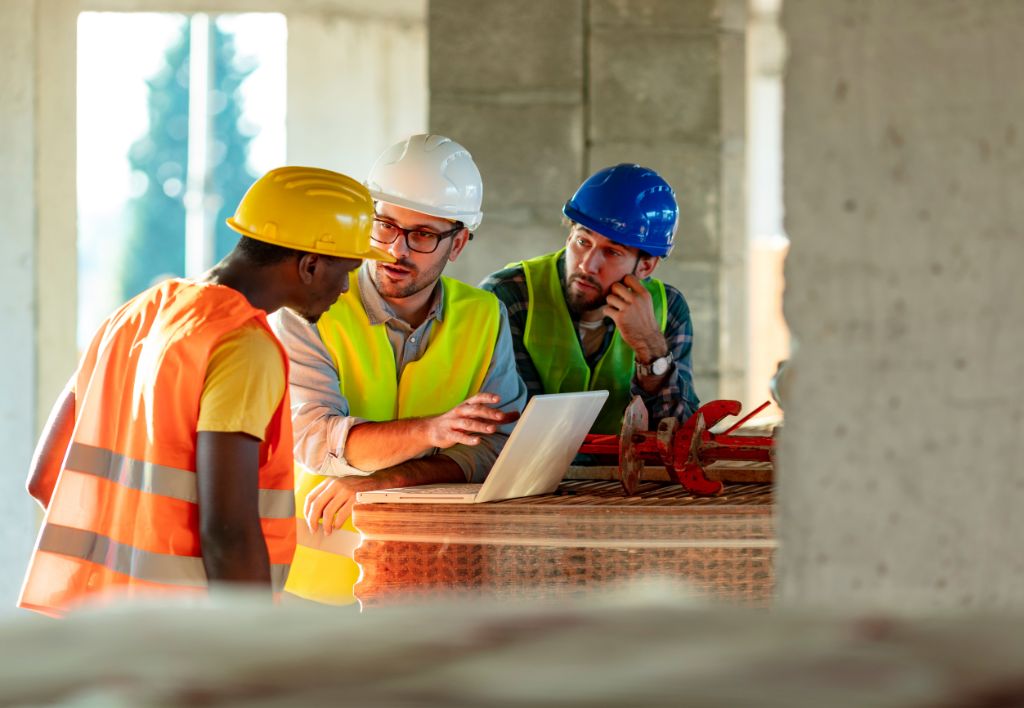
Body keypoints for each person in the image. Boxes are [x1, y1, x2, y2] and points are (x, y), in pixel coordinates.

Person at [19, 166, 392, 617]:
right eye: (348, 269)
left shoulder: (132, 317)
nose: (346, 287)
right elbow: (229, 534)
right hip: (184, 633)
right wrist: (249, 638)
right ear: (311, 264)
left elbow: (45, 478)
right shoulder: (242, 344)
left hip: (100, 622)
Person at [272, 134, 526, 606]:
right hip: (312, 581)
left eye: (423, 234)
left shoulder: (484, 316)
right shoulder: (310, 307)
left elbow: (497, 451)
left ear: (458, 242)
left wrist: (386, 481)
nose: (395, 249)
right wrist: (432, 432)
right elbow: (314, 442)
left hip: (432, 579)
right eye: (384, 225)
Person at [480, 163, 700, 435]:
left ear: (646, 266)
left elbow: (681, 434)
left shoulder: (668, 308)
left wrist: (651, 349)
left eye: (612, 252)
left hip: (626, 464)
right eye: (583, 242)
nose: (587, 265)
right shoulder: (507, 296)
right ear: (569, 236)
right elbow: (512, 425)